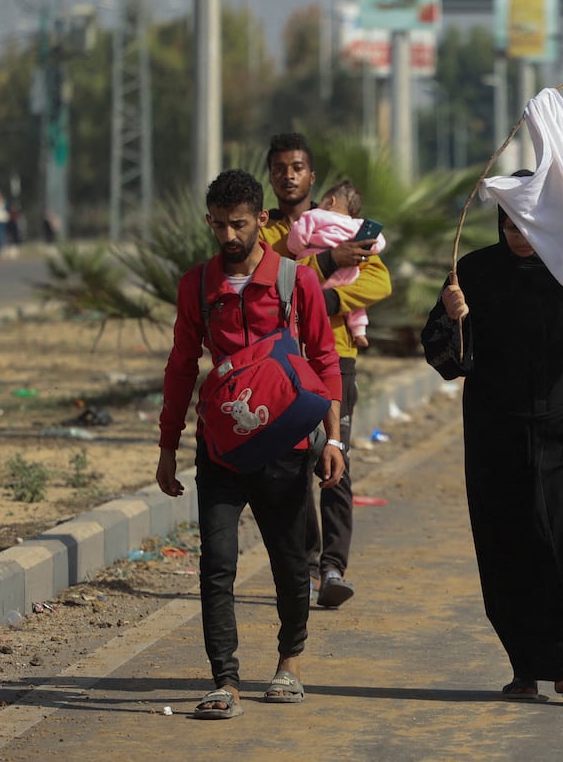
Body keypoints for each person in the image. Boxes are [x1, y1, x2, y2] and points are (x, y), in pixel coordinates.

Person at [155, 169, 345, 720]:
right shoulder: (196, 285)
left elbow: (324, 360)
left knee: (289, 560)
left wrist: (334, 439)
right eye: (218, 225)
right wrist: (168, 446)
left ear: (262, 220)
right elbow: (180, 366)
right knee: (216, 562)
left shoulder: (296, 281)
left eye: (238, 224)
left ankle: (290, 663)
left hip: (285, 444)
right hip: (218, 446)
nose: (228, 236)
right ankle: (225, 680)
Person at [420, 198, 563, 703]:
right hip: (496, 435)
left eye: (527, 225)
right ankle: (524, 665)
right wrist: (453, 320)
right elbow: (444, 357)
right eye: (509, 225)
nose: (517, 235)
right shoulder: (474, 270)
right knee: (507, 546)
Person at [259, 132, 392, 610]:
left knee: (336, 461)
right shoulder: (265, 231)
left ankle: (334, 567)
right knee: (293, 468)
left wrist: (325, 298)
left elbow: (379, 278)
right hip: (282, 365)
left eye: (297, 167)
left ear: (312, 176)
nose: (288, 175)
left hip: (336, 360)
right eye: (279, 168)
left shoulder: (343, 223)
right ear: (271, 175)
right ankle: (310, 563)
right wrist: (329, 263)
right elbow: (271, 282)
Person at [286, 180, 387, 349]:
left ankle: (318, 326)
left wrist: (299, 249)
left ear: (330, 201)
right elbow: (379, 243)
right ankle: (359, 331)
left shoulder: (313, 215)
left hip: (318, 267)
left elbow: (296, 241)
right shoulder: (357, 224)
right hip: (348, 274)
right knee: (354, 301)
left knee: (314, 295)